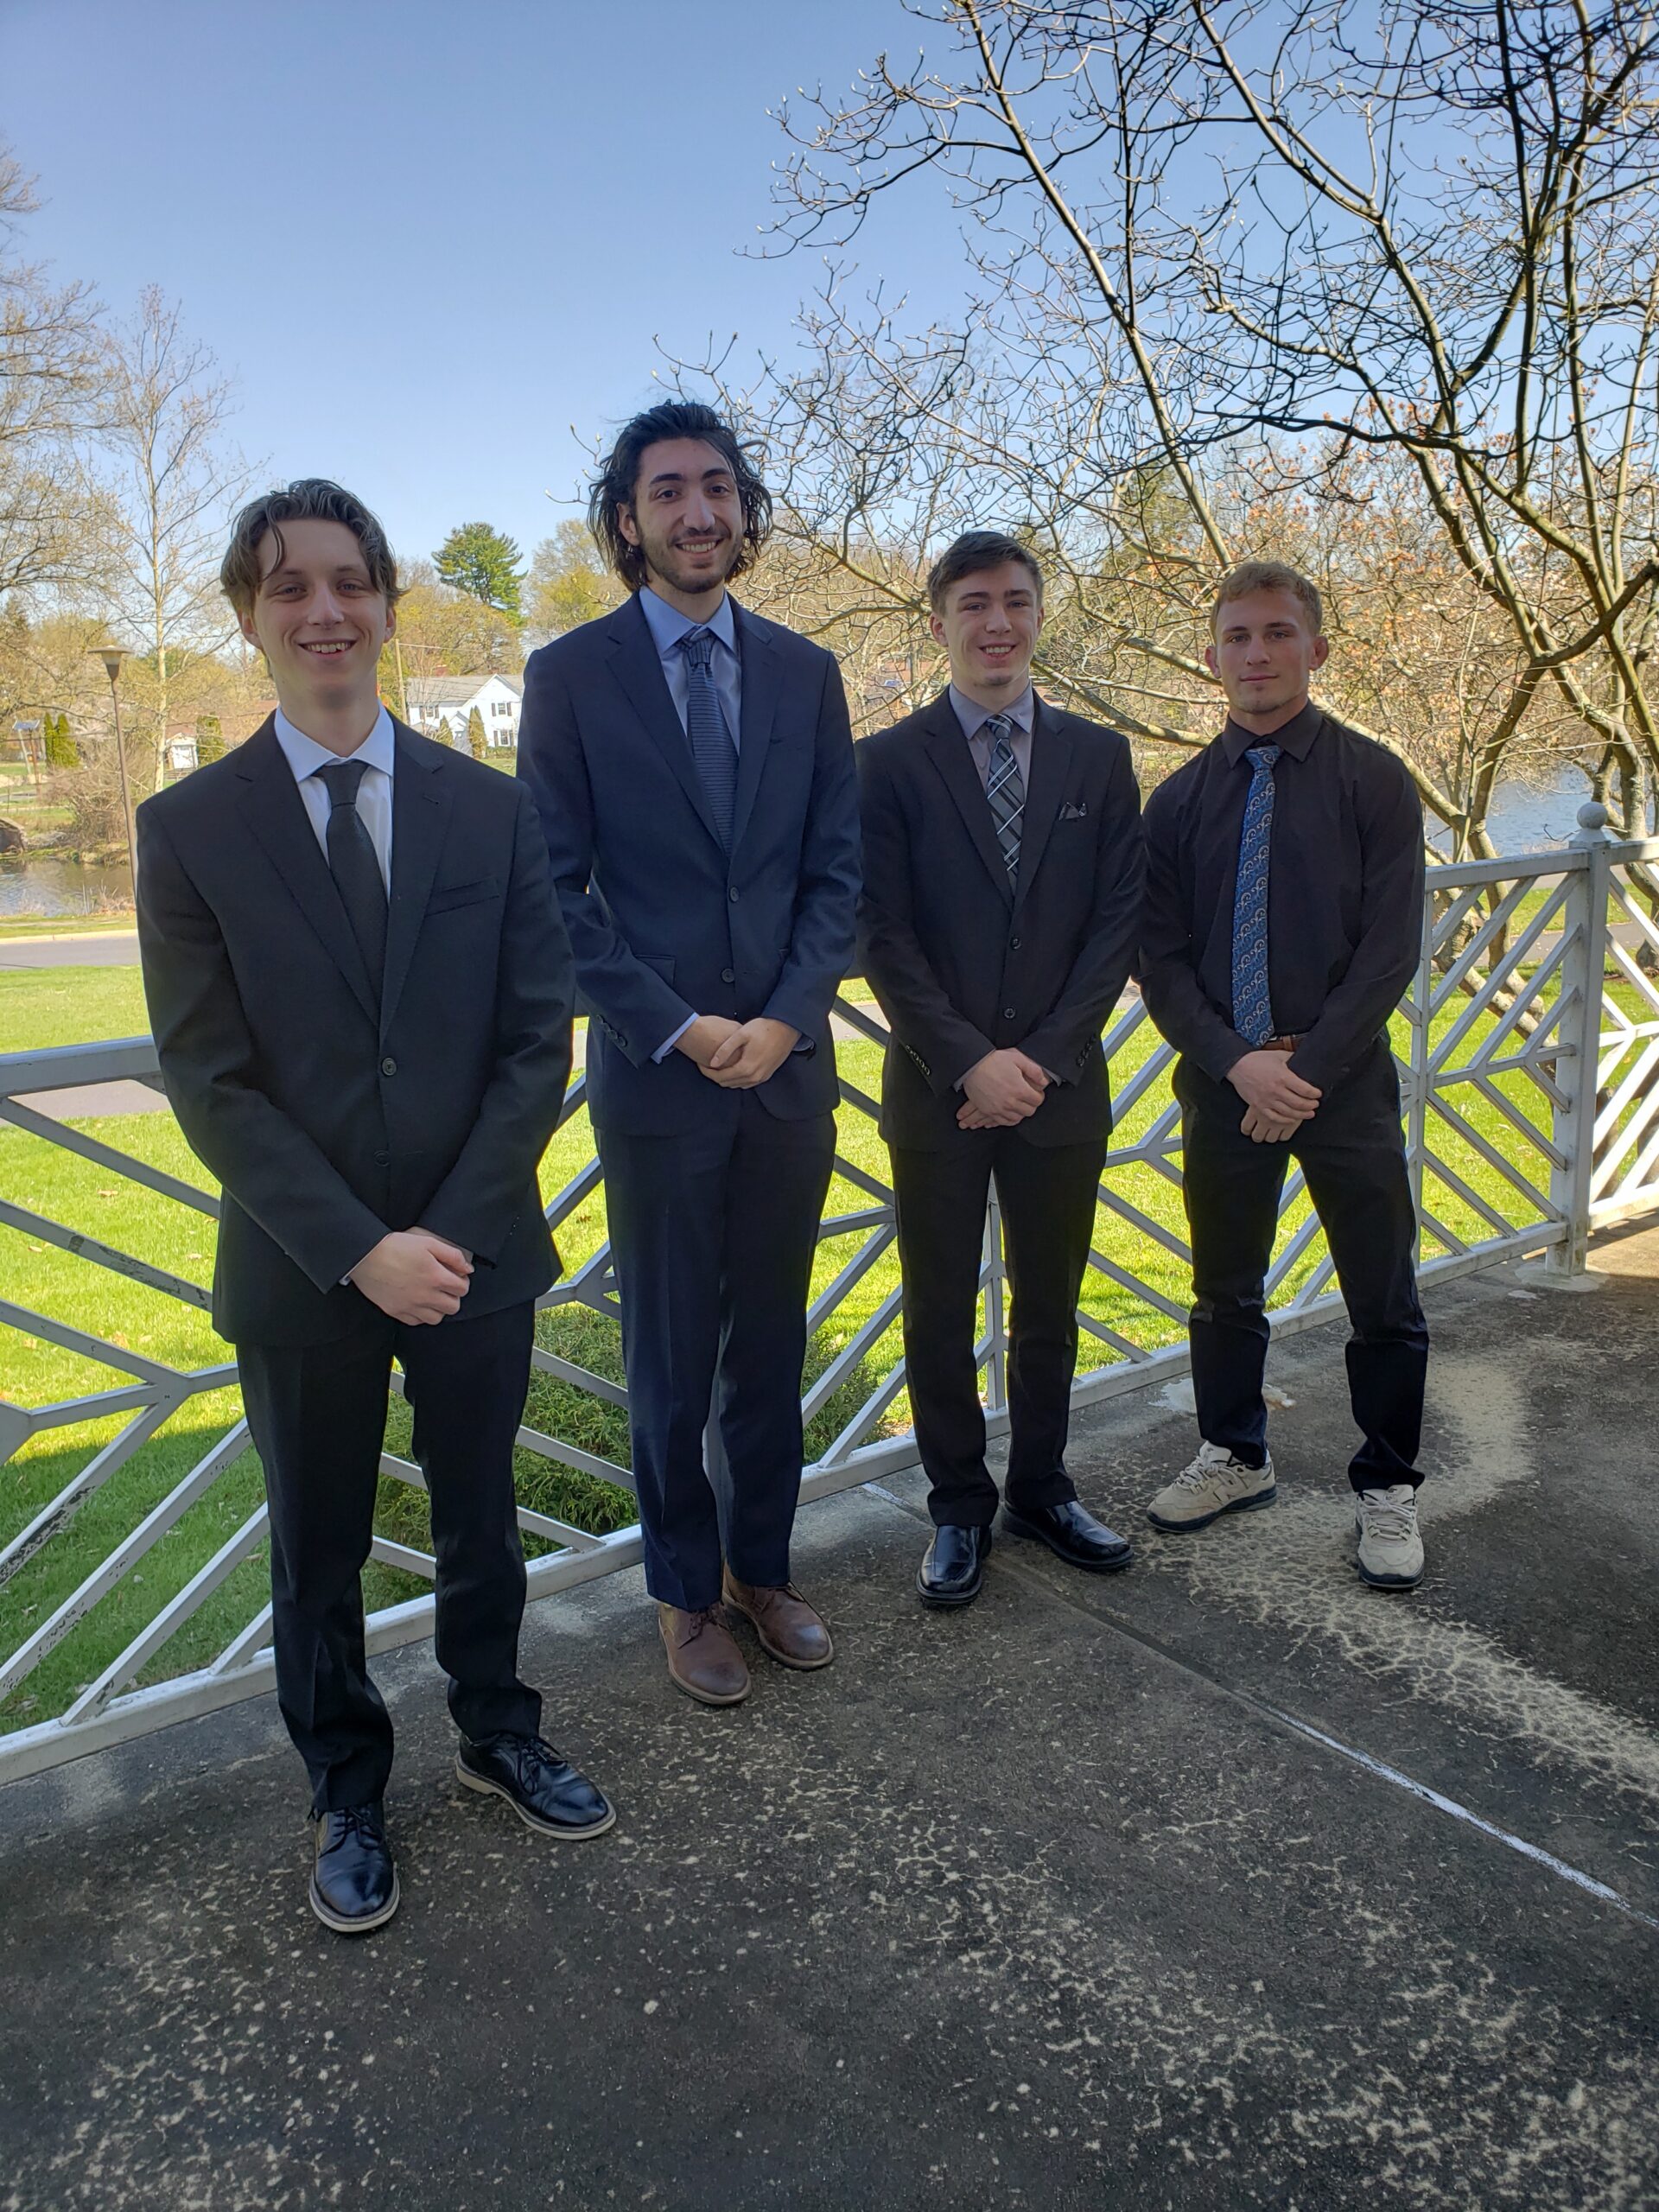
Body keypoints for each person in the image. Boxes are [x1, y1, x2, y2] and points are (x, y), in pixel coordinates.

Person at [136, 480, 613, 1938]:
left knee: (482, 1520)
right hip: (303, 1268)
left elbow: (542, 1036)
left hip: (475, 1251)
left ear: (390, 607)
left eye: (349, 582)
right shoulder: (189, 827)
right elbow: (210, 1079)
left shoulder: (490, 806)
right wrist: (359, 1247)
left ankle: (497, 1729)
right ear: (249, 617)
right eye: (290, 588)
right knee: (319, 1546)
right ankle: (345, 1785)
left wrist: (447, 1238)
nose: (323, 610)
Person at [517, 403, 861, 1706]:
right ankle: (684, 1594)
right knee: (668, 1351)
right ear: (629, 520)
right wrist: (677, 1020)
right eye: (669, 492)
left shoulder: (804, 673)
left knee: (770, 1341)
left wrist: (781, 1016)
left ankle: (764, 1570)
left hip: (790, 1069)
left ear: (744, 509)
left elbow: (837, 875)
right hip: (659, 1080)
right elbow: (553, 892)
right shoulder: (571, 677)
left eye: (718, 487)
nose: (698, 512)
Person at [857, 532, 1145, 1607]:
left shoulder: (1098, 758)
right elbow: (880, 930)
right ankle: (958, 1508)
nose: (997, 623)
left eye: (1016, 601)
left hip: (1062, 1090)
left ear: (1038, 615)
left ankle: (1041, 1486)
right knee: (935, 1308)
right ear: (938, 623)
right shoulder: (885, 763)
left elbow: (1118, 921)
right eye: (974, 603)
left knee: (1051, 1306)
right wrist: (971, 1061)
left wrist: (1044, 1055)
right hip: (937, 1090)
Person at [1139, 560, 1430, 1589]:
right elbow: (1160, 958)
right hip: (1223, 1086)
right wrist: (1237, 1063)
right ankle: (1235, 1452)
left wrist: (1302, 1070)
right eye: (1235, 637)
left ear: (1314, 646)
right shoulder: (1175, 804)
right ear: (1212, 655)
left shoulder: (1375, 780)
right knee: (1222, 1288)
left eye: (1274, 633)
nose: (1254, 654)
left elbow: (1390, 946)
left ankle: (1388, 1482)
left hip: (1341, 1082)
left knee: (1382, 1292)